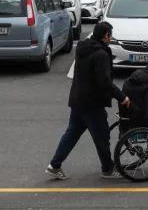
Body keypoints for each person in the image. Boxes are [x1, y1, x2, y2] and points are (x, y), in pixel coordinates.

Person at [46, 22, 130, 180]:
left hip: (78, 99)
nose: (111, 39)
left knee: (72, 133)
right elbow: (104, 82)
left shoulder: (83, 48)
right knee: (102, 136)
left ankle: (55, 166)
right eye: (110, 36)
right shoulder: (101, 55)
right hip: (92, 103)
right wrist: (122, 97)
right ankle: (108, 168)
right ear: (106, 36)